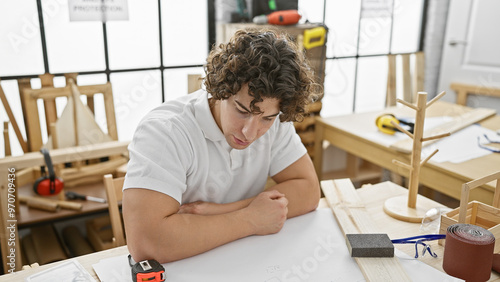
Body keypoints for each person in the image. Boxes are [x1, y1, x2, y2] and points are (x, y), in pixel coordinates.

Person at [122, 28, 321, 263]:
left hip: (246, 259)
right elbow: (147, 243)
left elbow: (309, 191)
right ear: (220, 91)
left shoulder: (273, 117)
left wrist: (226, 211)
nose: (250, 132)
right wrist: (251, 219)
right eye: (242, 110)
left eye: (266, 118)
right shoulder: (165, 131)